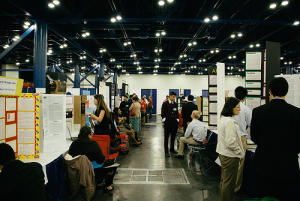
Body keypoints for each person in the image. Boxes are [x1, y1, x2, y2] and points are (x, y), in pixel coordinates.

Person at [251, 77, 300, 201]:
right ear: (287, 91)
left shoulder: (258, 111)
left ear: (270, 91)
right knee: (286, 196)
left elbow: (255, 137)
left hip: (264, 163)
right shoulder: (296, 113)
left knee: (264, 197)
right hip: (288, 165)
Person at [68, 126, 118, 191]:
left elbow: (71, 155)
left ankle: (99, 183)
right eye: (91, 133)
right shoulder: (93, 144)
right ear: (89, 135)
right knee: (113, 164)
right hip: (92, 171)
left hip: (77, 170)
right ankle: (107, 185)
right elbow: (101, 160)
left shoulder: (74, 143)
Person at [216, 97, 244, 201]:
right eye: (238, 107)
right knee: (229, 185)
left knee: (225, 182)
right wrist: (240, 152)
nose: (239, 109)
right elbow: (231, 142)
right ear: (231, 108)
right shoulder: (230, 122)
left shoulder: (224, 119)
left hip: (225, 154)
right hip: (230, 156)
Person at [233, 86, 252, 193]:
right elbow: (251, 125)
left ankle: (227, 184)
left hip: (230, 137)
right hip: (241, 138)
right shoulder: (247, 110)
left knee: (230, 162)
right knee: (240, 164)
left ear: (235, 95)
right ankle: (236, 187)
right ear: (245, 97)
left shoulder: (228, 108)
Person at [161, 92, 179, 157]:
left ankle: (172, 148)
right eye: (173, 97)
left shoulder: (175, 104)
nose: (174, 98)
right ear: (170, 96)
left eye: (175, 97)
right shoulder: (165, 104)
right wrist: (164, 119)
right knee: (166, 137)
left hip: (174, 122)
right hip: (168, 122)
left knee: (173, 136)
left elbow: (176, 112)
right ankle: (166, 151)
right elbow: (163, 112)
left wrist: (177, 119)